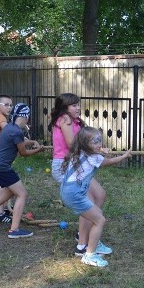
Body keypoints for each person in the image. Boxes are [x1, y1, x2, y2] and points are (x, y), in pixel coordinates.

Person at [61, 126, 132, 267]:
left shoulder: (81, 151)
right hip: (74, 194)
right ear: (86, 144)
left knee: (97, 213)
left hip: (69, 191)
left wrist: (101, 150)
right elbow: (109, 162)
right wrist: (124, 156)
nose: (99, 144)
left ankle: (94, 243)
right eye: (95, 142)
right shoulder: (94, 157)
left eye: (100, 140)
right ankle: (89, 255)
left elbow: (98, 153)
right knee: (100, 220)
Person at [49, 93, 109, 257]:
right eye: (74, 105)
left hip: (77, 164)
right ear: (65, 107)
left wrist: (96, 148)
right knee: (87, 200)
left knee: (99, 195)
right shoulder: (65, 119)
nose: (78, 107)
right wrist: (96, 151)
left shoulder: (75, 121)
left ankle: (85, 232)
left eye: (78, 104)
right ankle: (82, 245)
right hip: (65, 165)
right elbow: (72, 144)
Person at [0, 103, 44, 238]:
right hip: (2, 167)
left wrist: (32, 142)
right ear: (26, 117)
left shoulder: (10, 128)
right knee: (22, 194)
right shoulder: (17, 132)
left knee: (11, 190)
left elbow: (19, 142)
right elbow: (23, 153)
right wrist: (39, 150)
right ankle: (14, 230)